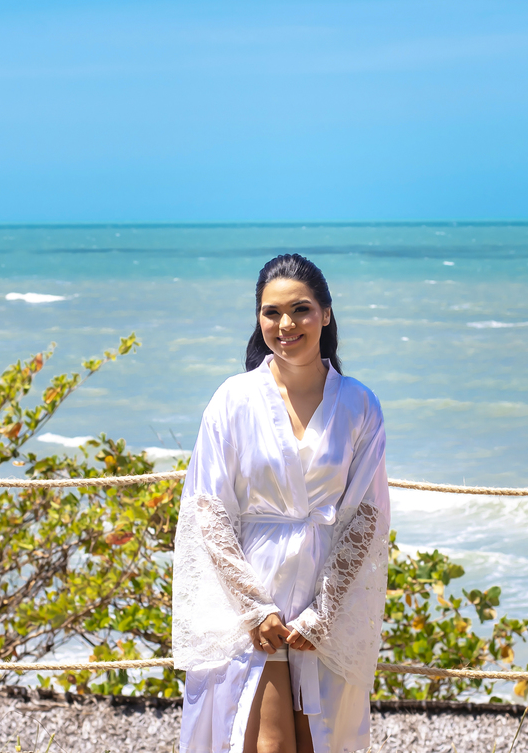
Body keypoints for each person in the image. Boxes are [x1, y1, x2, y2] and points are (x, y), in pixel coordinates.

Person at [172, 254, 391, 753]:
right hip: (250, 591)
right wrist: (253, 607)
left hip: (326, 596)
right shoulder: (233, 399)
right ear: (258, 319)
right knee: (265, 742)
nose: (286, 324)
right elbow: (208, 507)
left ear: (327, 315)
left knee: (321, 742)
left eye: (301, 310)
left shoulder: (360, 405)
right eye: (271, 312)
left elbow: (366, 516)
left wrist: (324, 612)